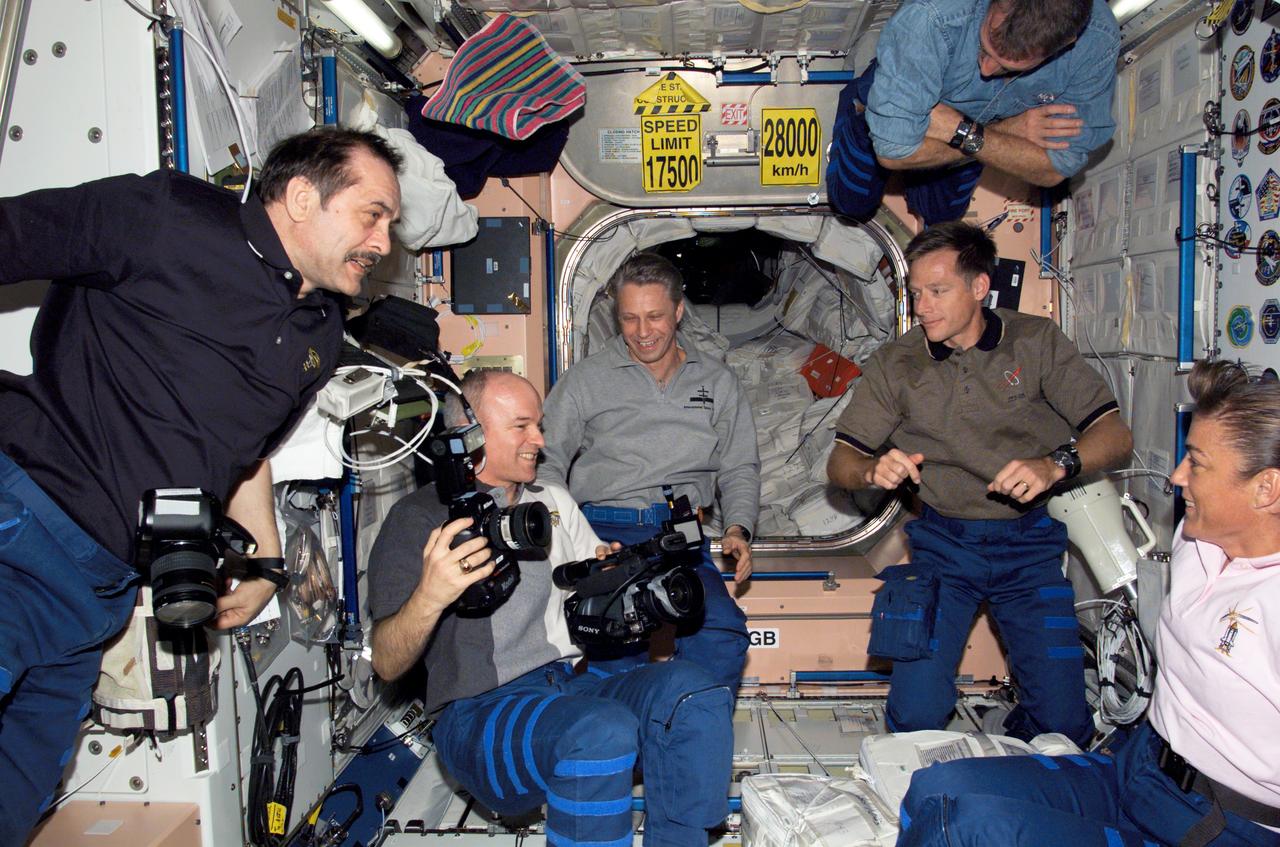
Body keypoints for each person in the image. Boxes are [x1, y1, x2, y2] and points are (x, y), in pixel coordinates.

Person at [0, 127, 402, 844]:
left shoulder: (318, 330)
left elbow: (244, 451)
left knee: (18, 790)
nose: (384, 239)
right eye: (373, 213)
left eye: (391, 223)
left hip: (104, 592)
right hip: (26, 527)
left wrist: (268, 559)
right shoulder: (165, 217)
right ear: (304, 196)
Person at [896, 360, 1280, 847]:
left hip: (1219, 823)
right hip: (1140, 771)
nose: (1177, 476)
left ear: (1266, 488)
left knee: (965, 831)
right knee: (936, 788)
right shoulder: (1199, 538)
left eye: (1197, 463)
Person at [367, 371, 733, 847]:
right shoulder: (420, 519)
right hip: (478, 716)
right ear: (470, 436)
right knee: (602, 731)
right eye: (522, 427)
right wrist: (431, 594)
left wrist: (616, 577)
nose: (539, 440)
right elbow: (386, 660)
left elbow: (593, 594)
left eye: (538, 425)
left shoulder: (551, 501)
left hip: (567, 689)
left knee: (694, 691)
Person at [827, 221, 1133, 747]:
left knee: (1064, 722)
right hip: (944, 549)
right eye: (915, 293)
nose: (922, 306)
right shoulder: (897, 364)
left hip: (1029, 547)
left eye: (937, 291)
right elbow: (841, 461)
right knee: (916, 712)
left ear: (979, 287)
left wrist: (1055, 464)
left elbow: (1114, 434)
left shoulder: (1035, 343)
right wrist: (870, 471)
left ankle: (1016, 750)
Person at [539, 252, 759, 694]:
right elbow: (547, 462)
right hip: (606, 535)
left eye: (655, 317)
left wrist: (738, 527)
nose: (642, 332)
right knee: (615, 653)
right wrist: (567, 537)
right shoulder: (584, 381)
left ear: (678, 311)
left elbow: (739, 464)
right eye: (629, 319)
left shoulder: (717, 382)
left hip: (679, 540)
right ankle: (617, 747)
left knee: (722, 639)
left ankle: (682, 735)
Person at [825, 0, 1120, 226]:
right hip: (901, 105)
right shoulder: (931, 16)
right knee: (851, 206)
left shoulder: (1096, 40)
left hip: (973, 126)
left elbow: (1055, 168)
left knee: (941, 214)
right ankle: (858, 111)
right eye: (986, 47)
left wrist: (964, 130)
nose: (987, 69)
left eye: (1009, 66)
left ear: (1067, 44)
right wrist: (1009, 131)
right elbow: (892, 152)